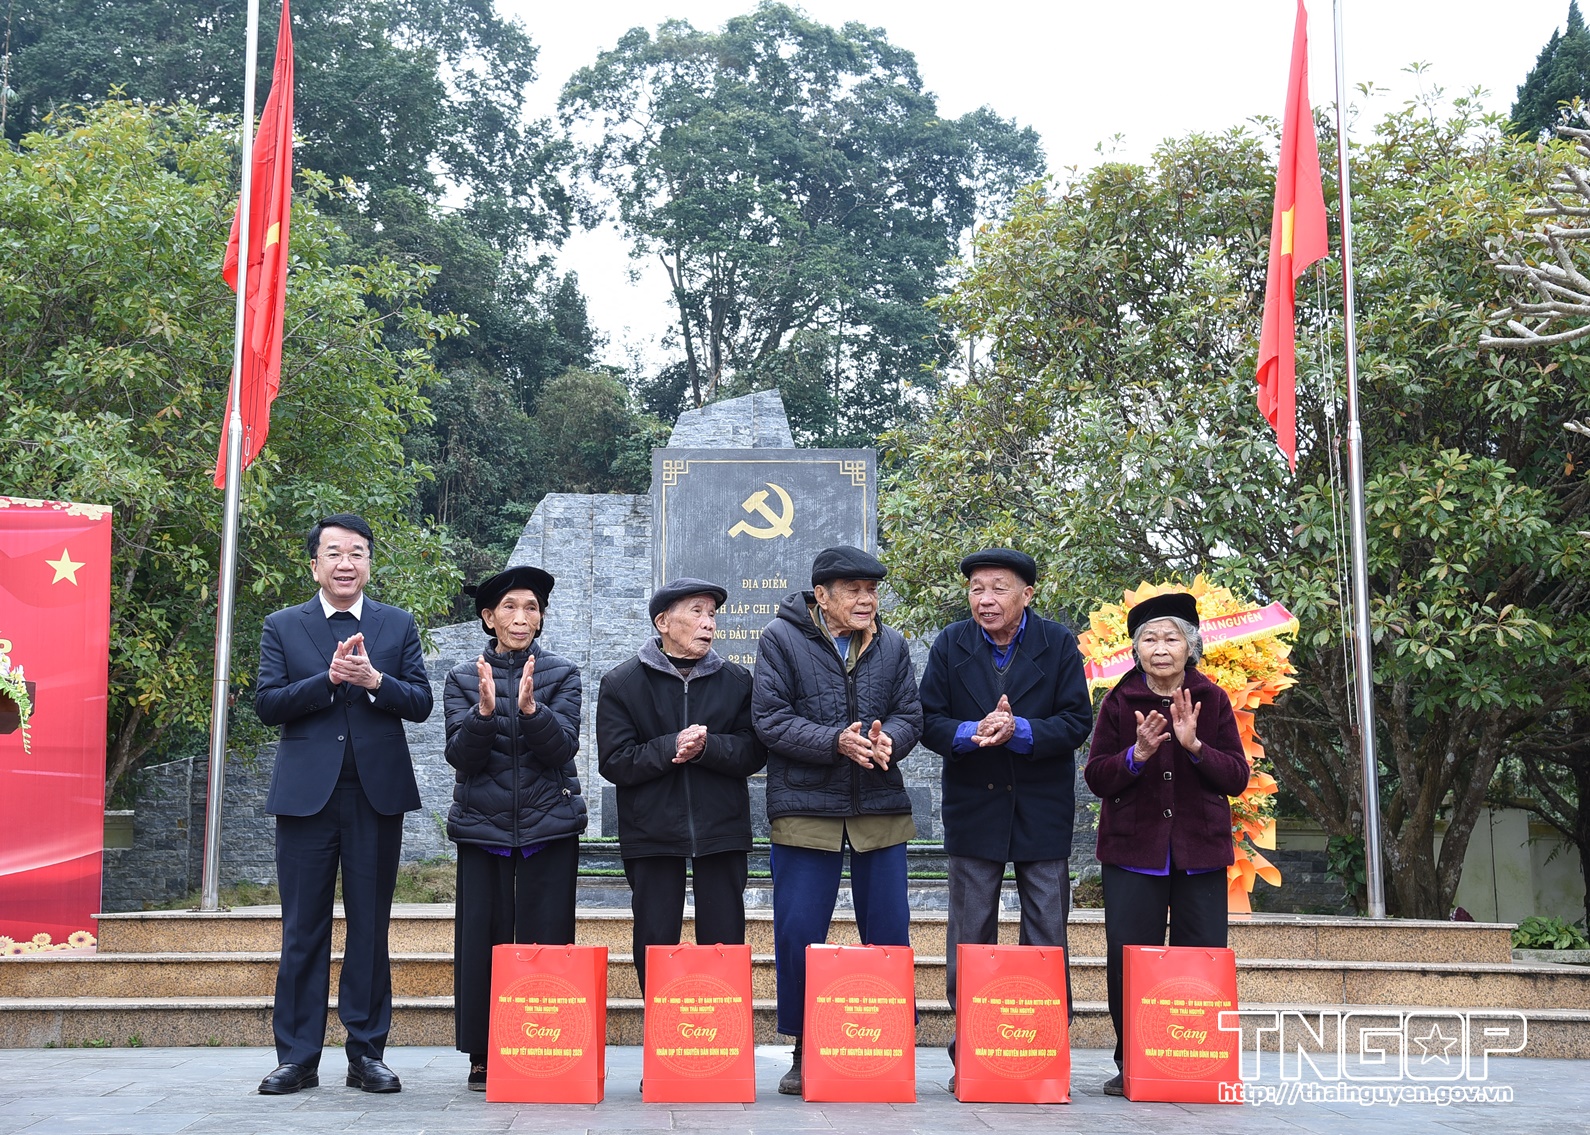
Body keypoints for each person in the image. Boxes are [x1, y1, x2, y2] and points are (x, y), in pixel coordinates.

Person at [255, 513, 434, 1096]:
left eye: (356, 552)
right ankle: (297, 1058)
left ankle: (367, 1054)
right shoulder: (284, 625)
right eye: (333, 553)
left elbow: (421, 702)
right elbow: (268, 704)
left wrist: (375, 680)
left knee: (370, 929)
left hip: (374, 798)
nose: (345, 563)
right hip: (305, 801)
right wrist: (329, 681)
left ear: (369, 564)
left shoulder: (396, 623)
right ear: (315, 565)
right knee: (302, 930)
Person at [752, 545, 923, 1095]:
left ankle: (888, 1042)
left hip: (879, 807)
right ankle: (805, 1048)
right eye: (853, 590)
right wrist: (835, 741)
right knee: (800, 933)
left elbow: (909, 713)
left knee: (889, 932)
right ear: (821, 596)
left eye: (871, 590)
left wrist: (890, 739)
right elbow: (770, 719)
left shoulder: (892, 644)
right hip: (805, 809)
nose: (866, 600)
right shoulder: (781, 639)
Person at [919, 548, 1093, 1082]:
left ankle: (1041, 1049)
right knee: (970, 931)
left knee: (1047, 929)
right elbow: (928, 719)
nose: (985, 599)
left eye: (998, 588)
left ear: (1027, 594)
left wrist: (1021, 731)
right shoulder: (951, 643)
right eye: (977, 589)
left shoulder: (1057, 642)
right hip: (975, 805)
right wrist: (970, 732)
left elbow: (1076, 721)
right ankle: (971, 1050)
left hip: (1041, 807)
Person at [1082, 591, 1250, 1096]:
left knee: (1202, 958)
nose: (1160, 648)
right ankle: (1132, 1062)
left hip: (1200, 851)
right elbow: (1097, 777)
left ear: (1190, 646)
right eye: (1149, 639)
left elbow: (1237, 777)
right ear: (1135, 650)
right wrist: (1136, 755)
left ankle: (1196, 1059)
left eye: (1171, 638)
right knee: (1130, 960)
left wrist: (1195, 746)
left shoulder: (1212, 700)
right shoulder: (1118, 701)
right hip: (1134, 852)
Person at [443, 564, 586, 1091]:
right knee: (483, 941)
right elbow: (461, 757)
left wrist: (529, 711)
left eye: (531, 608)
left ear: (541, 619)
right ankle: (483, 1051)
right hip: (484, 829)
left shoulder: (563, 674)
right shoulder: (462, 678)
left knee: (548, 941)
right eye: (509, 607)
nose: (521, 617)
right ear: (489, 618)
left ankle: (546, 1042)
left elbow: (562, 749)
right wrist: (483, 714)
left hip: (549, 826)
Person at [596, 577, 765, 999]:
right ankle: (661, 1028)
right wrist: (670, 746)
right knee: (654, 938)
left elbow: (753, 751)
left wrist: (708, 747)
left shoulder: (737, 681)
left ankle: (721, 1029)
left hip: (721, 829)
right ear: (663, 622)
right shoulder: (622, 683)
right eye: (697, 612)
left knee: (724, 939)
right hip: (651, 831)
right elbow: (615, 761)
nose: (708, 623)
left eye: (712, 614)